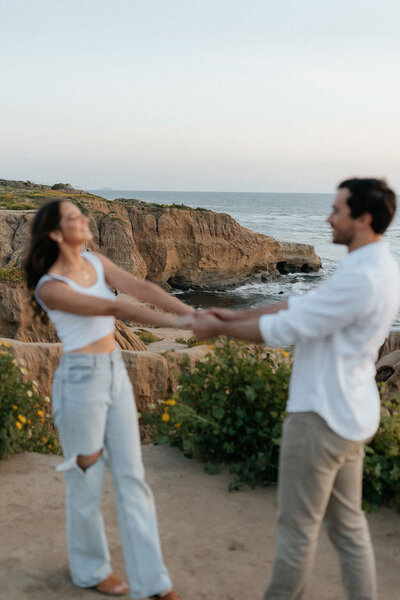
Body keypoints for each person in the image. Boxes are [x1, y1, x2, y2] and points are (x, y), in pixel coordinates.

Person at [192, 178, 400, 600]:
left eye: (337, 210)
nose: (328, 218)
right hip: (351, 416)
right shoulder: (377, 266)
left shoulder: (361, 277)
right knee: (349, 527)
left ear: (362, 218)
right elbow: (300, 306)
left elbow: (288, 327)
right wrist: (230, 317)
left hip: (320, 419)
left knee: (296, 532)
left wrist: (217, 329)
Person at [24, 199, 194, 600]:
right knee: (86, 482)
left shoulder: (96, 262)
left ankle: (154, 582)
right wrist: (184, 323)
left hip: (115, 372)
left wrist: (187, 310)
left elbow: (140, 288)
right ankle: (90, 570)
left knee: (133, 478)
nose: (84, 219)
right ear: (54, 232)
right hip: (81, 381)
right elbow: (115, 306)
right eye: (73, 217)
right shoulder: (50, 286)